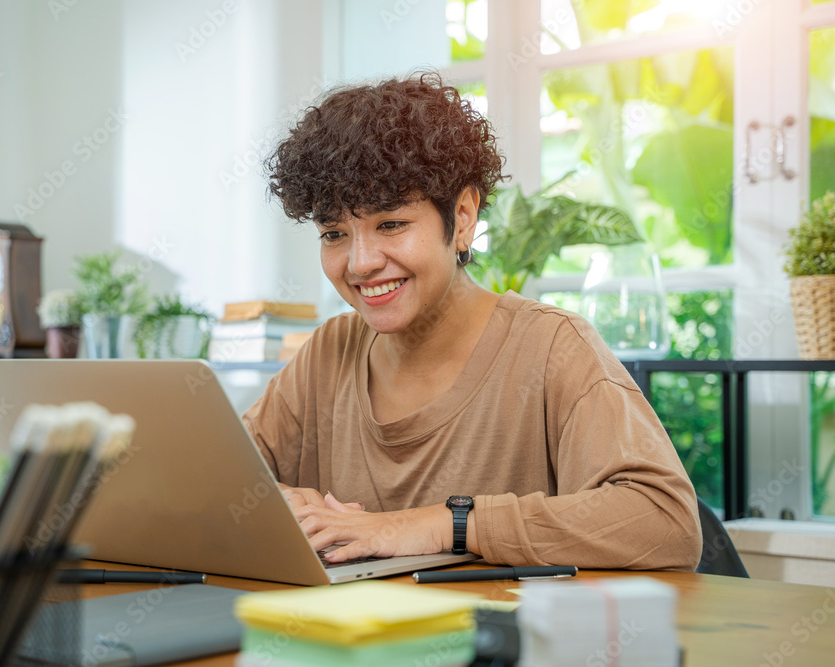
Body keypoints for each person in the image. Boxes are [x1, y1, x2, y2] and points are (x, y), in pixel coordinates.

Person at [243, 71, 702, 571]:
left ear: (462, 217)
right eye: (333, 234)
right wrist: (275, 499)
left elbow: (665, 523)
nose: (360, 263)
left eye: (391, 224)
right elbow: (211, 472)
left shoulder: (553, 348)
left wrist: (445, 524)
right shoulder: (329, 352)